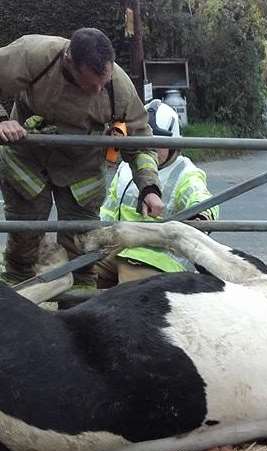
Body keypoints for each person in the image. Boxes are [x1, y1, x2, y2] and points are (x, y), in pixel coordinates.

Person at [0, 28, 163, 288]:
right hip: (27, 158)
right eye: (90, 84)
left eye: (104, 83)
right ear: (69, 60)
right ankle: (16, 301)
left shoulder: (119, 87)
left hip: (81, 169)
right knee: (24, 240)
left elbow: (141, 142)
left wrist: (150, 187)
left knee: (83, 247)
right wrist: (1, 122)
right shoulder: (33, 54)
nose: (99, 89)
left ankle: (79, 306)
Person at [96, 100, 219, 288]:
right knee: (79, 274)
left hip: (156, 259)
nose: (151, 148)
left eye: (158, 142)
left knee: (127, 302)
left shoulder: (185, 172)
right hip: (117, 249)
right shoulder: (126, 168)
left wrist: (201, 216)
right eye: (145, 141)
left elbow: (202, 199)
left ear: (173, 143)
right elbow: (109, 210)